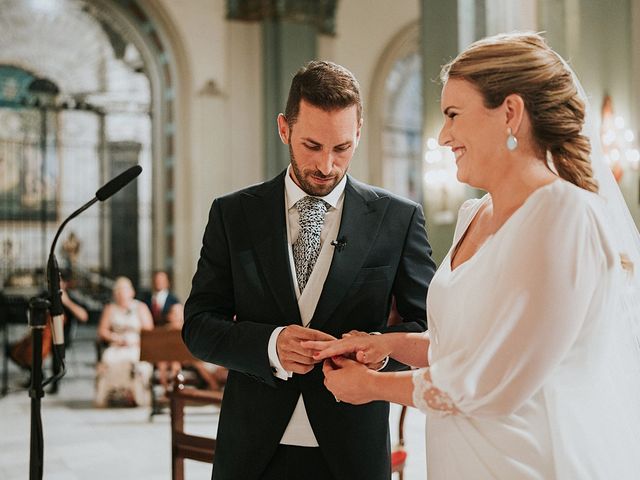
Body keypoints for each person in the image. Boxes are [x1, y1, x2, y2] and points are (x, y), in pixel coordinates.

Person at [305, 33, 640, 479]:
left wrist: (372, 387)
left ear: (510, 113)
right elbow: (464, 347)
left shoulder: (564, 214)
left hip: (528, 463)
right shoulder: (475, 214)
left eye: (453, 115)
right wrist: (384, 344)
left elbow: (496, 381)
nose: (444, 136)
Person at [183, 60, 436, 479]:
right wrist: (270, 345)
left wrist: (376, 353)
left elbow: (427, 331)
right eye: (312, 146)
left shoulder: (398, 219)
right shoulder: (232, 214)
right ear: (284, 129)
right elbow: (198, 327)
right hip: (252, 450)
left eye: (342, 148)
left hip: (352, 449)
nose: (326, 166)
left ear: (359, 133)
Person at [95, 276, 154, 407]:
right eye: (119, 292)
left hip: (136, 344)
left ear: (131, 292)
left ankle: (137, 396)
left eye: (125, 292)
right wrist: (115, 337)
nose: (122, 295)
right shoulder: (110, 308)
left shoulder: (140, 307)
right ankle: (113, 395)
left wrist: (134, 341)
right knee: (109, 359)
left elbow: (149, 331)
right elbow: (102, 331)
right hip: (117, 344)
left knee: (136, 362)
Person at [156, 303, 227, 394]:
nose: (178, 317)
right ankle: (168, 390)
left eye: (180, 314)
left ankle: (214, 387)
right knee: (170, 364)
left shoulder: (186, 329)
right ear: (169, 316)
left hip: (188, 357)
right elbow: (160, 349)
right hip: (169, 358)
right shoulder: (165, 331)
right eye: (176, 314)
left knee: (198, 363)